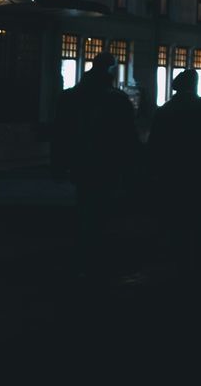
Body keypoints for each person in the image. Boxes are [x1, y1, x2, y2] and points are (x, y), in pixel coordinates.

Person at [52, 52, 141, 278]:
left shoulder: (71, 96)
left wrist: (59, 162)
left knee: (85, 200)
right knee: (103, 203)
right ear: (110, 69)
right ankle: (97, 249)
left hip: (81, 160)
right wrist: (133, 164)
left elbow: (60, 133)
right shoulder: (117, 99)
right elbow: (128, 136)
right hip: (107, 160)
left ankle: (84, 245)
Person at [147, 69, 201, 273]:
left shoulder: (165, 110)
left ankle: (180, 260)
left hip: (173, 175)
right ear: (194, 85)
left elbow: (155, 145)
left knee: (178, 218)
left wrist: (154, 172)